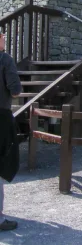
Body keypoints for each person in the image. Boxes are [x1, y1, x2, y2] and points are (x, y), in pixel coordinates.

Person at [0, 32, 21, 231]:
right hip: (0, 116)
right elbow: (15, 89)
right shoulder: (5, 60)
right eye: (3, 37)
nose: (5, 40)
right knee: (3, 162)